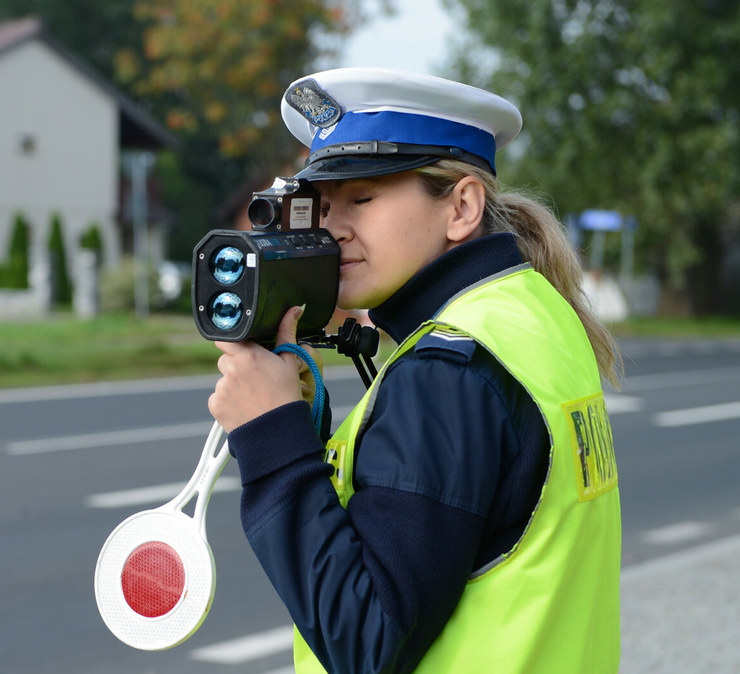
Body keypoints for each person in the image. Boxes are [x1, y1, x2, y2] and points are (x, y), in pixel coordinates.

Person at [208, 68, 622, 674]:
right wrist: (303, 423)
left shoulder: (447, 369)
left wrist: (272, 439)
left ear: (460, 207)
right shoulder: (531, 310)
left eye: (364, 198)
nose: (335, 227)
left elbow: (368, 639)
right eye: (322, 205)